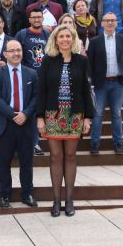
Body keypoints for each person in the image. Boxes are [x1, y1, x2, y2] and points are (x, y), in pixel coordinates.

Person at [37, 25, 94, 217]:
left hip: (74, 114)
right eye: (61, 36)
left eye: (68, 36)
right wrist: (39, 117)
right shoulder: (48, 61)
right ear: (55, 39)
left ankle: (69, 200)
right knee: (55, 157)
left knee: (70, 156)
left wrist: (88, 117)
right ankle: (56, 201)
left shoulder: (82, 61)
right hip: (52, 114)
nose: (64, 39)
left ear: (73, 39)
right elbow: (41, 90)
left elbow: (87, 91)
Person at [0, 39, 39, 208]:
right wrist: (13, 115)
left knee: (27, 162)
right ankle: (4, 195)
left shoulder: (31, 73)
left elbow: (36, 97)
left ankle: (27, 194)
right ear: (5, 54)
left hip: (26, 123)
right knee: (4, 162)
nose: (16, 53)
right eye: (12, 51)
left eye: (18, 50)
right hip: (6, 124)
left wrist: (25, 114)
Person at [87, 12, 123, 155]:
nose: (110, 23)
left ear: (116, 23)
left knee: (117, 114)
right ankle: (94, 144)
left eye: (113, 20)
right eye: (107, 21)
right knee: (98, 114)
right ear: (101, 24)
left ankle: (118, 144)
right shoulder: (95, 41)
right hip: (100, 84)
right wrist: (92, 81)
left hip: (118, 83)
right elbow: (90, 63)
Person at [15, 8, 51, 155]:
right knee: (26, 110)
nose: (37, 19)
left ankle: (35, 143)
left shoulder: (47, 34)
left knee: (38, 111)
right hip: (26, 79)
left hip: (44, 79)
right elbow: (15, 54)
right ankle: (24, 142)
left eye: (39, 17)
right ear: (29, 19)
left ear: (42, 19)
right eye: (34, 17)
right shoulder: (22, 34)